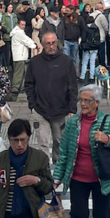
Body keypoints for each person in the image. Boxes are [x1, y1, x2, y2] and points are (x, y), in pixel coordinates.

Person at [53, 84, 110, 218]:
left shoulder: (108, 121)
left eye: (87, 100)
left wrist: (107, 139)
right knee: (78, 214)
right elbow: (64, 152)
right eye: (81, 100)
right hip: (77, 179)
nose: (82, 104)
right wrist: (57, 178)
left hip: (102, 180)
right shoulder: (72, 122)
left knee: (102, 214)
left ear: (97, 102)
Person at [0, 119, 53, 218]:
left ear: (29, 138)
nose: (19, 145)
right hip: (4, 213)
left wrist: (37, 181)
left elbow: (49, 187)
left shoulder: (39, 158)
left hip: (31, 213)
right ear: (9, 139)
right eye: (15, 140)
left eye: (23, 140)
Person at [24, 32, 78, 164]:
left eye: (53, 42)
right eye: (48, 43)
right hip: (40, 110)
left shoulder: (66, 62)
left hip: (61, 110)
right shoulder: (35, 62)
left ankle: (58, 171)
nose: (51, 46)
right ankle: (44, 173)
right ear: (42, 44)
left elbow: (73, 86)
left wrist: (72, 109)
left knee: (59, 142)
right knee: (42, 144)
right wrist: (32, 104)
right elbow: (29, 84)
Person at [10, 19, 36, 97]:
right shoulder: (18, 33)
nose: (23, 26)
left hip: (20, 56)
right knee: (18, 74)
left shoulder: (18, 32)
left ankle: (18, 87)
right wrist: (34, 45)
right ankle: (15, 88)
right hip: (19, 56)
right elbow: (26, 40)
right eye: (22, 25)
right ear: (18, 24)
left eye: (24, 25)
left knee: (20, 73)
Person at [63, 6, 85, 73]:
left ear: (72, 10)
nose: (66, 12)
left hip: (75, 41)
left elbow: (83, 28)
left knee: (74, 58)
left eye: (68, 10)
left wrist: (81, 38)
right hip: (66, 41)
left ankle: (73, 73)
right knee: (66, 58)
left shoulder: (79, 18)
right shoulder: (64, 19)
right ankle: (66, 73)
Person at [80, 16, 101, 81]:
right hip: (95, 47)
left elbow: (83, 38)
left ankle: (82, 76)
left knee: (85, 62)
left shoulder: (85, 28)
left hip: (87, 47)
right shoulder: (96, 28)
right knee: (92, 62)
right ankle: (92, 77)